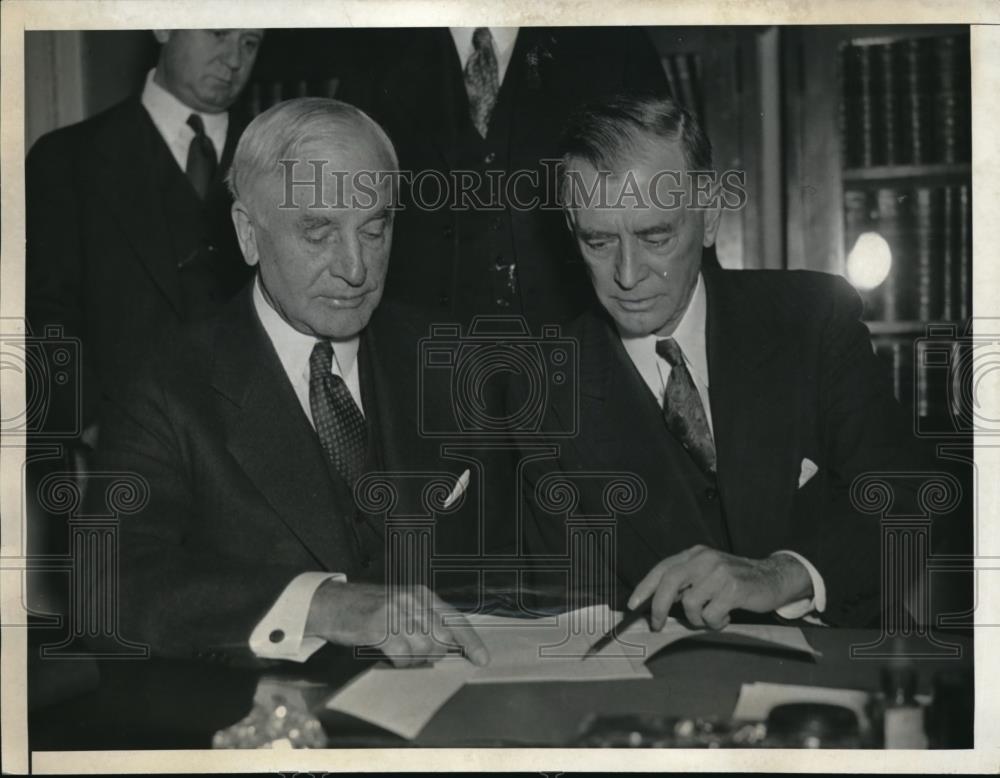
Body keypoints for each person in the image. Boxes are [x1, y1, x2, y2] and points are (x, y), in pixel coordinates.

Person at [86, 98, 489, 668]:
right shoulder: (167, 383)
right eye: (318, 232)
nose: (355, 268)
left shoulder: (445, 358)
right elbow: (109, 591)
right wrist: (320, 605)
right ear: (248, 235)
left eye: (374, 229)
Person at [512, 93, 928, 629]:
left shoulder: (813, 317)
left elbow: (907, 494)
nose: (627, 274)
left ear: (708, 216)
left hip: (848, 671)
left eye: (655, 235)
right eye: (598, 241)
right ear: (572, 229)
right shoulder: (543, 392)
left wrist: (783, 573)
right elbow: (575, 617)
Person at [340, 26, 669, 333]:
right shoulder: (374, 48)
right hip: (424, 356)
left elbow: (674, 202)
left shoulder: (612, 41)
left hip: (578, 352)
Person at [26, 29, 264, 446]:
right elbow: (45, 314)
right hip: (121, 455)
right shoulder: (66, 158)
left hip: (258, 448)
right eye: (219, 33)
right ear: (162, 24)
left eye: (250, 43)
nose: (233, 59)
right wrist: (86, 428)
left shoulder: (279, 162)